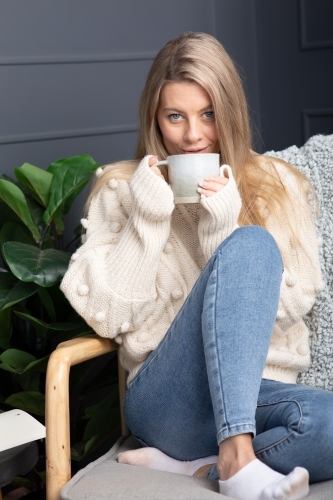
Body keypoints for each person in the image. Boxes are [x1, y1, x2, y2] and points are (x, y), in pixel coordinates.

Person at [60, 32, 333, 500]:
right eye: (175, 116)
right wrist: (147, 219)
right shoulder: (121, 188)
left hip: (257, 393)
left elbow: (294, 303)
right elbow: (105, 313)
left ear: (231, 112)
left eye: (208, 114)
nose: (192, 135)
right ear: (155, 119)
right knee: (252, 245)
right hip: (170, 402)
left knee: (326, 423)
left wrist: (218, 232)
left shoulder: (279, 185)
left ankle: (203, 467)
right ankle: (233, 458)